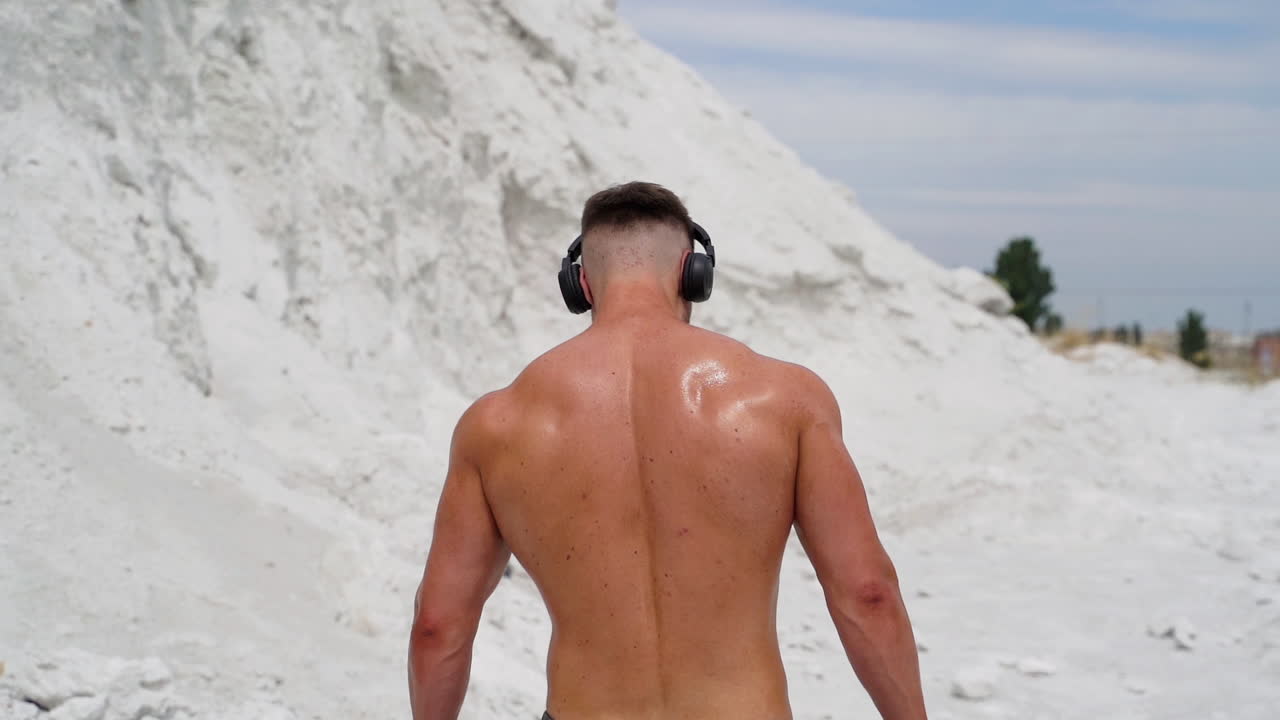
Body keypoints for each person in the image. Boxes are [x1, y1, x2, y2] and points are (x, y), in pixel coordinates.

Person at [408, 182, 927, 720]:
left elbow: (438, 627)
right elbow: (867, 594)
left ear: (581, 283)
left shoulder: (496, 425)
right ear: (692, 273)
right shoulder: (786, 399)